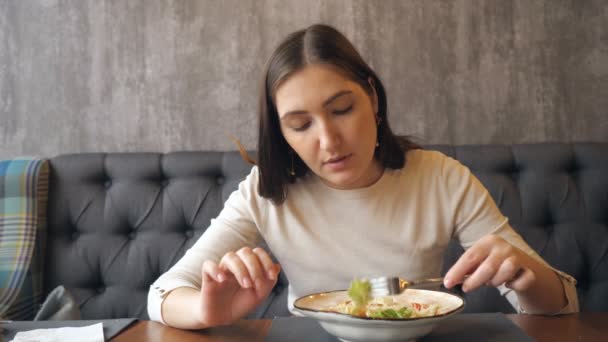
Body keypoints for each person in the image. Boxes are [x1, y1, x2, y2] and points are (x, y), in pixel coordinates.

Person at [147, 24, 578, 329]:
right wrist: (207, 311)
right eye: (301, 125)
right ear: (282, 134)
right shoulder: (265, 195)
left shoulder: (442, 179)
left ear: (372, 97)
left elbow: (562, 305)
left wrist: (524, 273)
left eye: (341, 110)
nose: (329, 140)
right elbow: (162, 295)